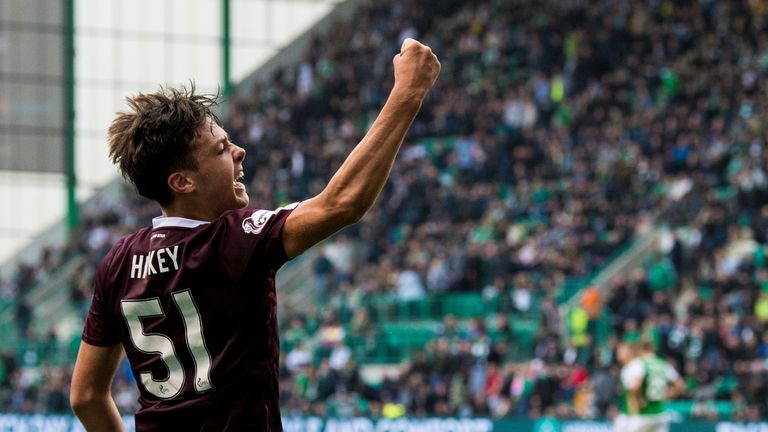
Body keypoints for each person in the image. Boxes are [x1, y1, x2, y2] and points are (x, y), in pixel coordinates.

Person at [69, 38, 440, 431]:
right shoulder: (233, 241)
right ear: (182, 182)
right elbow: (342, 203)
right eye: (221, 149)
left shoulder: (119, 262)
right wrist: (408, 92)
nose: (239, 151)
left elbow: (86, 396)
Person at [613, 340, 685, 432]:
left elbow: (635, 387)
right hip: (659, 413)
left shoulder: (638, 364)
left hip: (641, 414)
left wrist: (639, 401)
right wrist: (668, 395)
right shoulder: (662, 364)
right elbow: (680, 385)